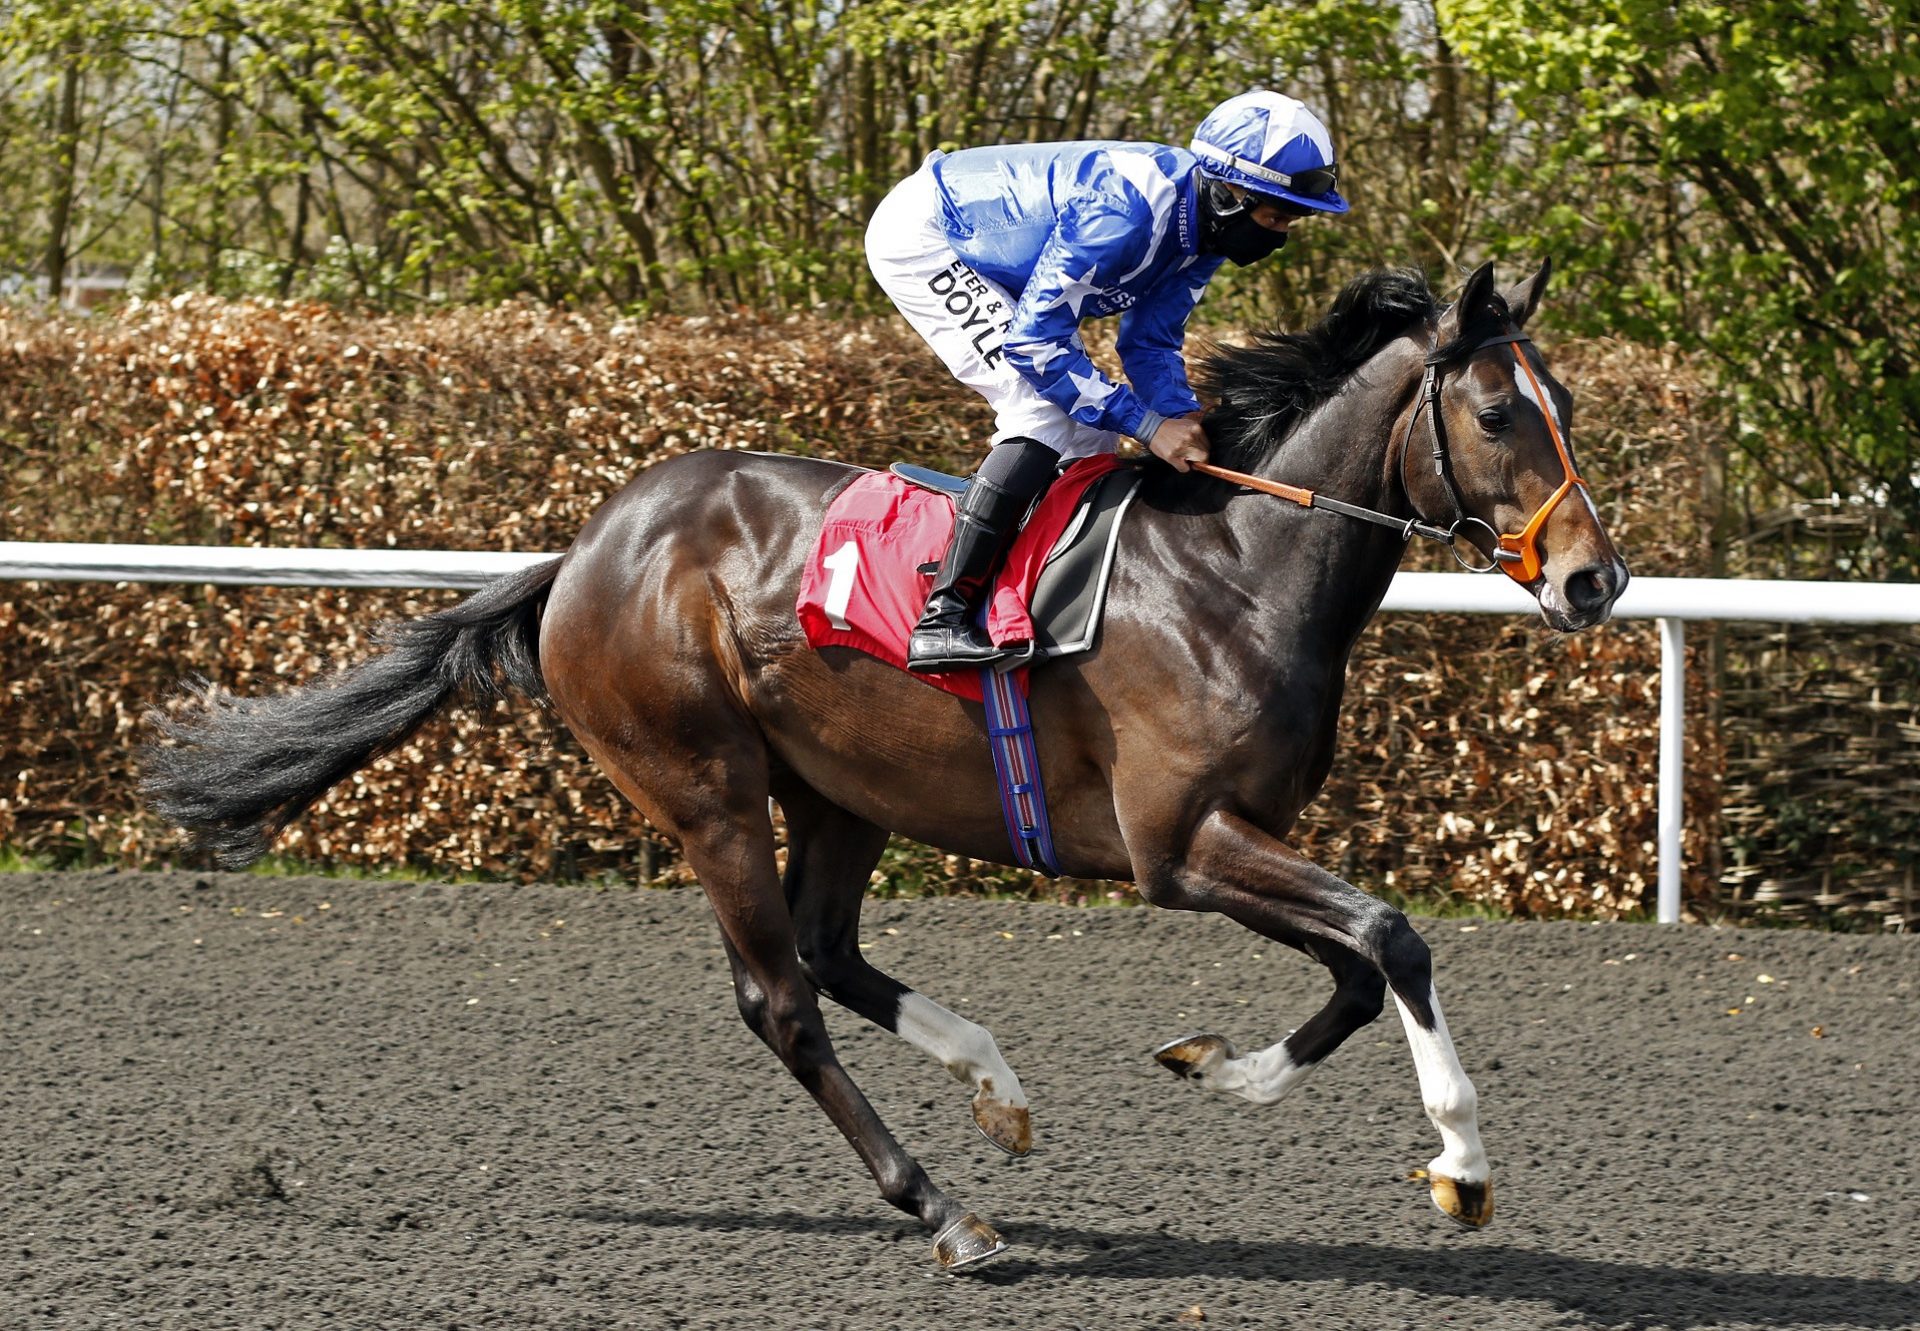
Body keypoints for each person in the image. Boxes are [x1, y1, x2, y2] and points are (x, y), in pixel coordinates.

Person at [865, 89, 1349, 673]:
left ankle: (1033, 603)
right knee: (1040, 412)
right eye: (1276, 215)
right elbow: (1034, 343)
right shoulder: (1123, 215)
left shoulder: (1205, 233)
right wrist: (1147, 426)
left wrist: (1179, 417)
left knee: (1091, 442)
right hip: (927, 236)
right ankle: (942, 616)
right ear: (1229, 193)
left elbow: (1149, 343)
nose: (1282, 234)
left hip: (1001, 261)